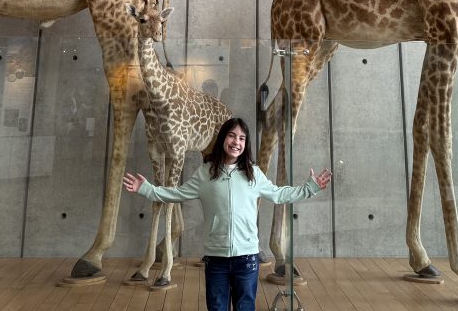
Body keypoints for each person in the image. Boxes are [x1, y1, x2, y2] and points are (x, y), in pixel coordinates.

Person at [123, 117, 332, 311]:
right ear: (223, 138)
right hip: (216, 259)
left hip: (247, 259)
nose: (236, 142)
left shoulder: (253, 173)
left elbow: (279, 194)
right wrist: (147, 189)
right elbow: (176, 193)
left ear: (245, 144)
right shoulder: (205, 174)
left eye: (242, 138)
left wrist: (310, 188)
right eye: (232, 136)